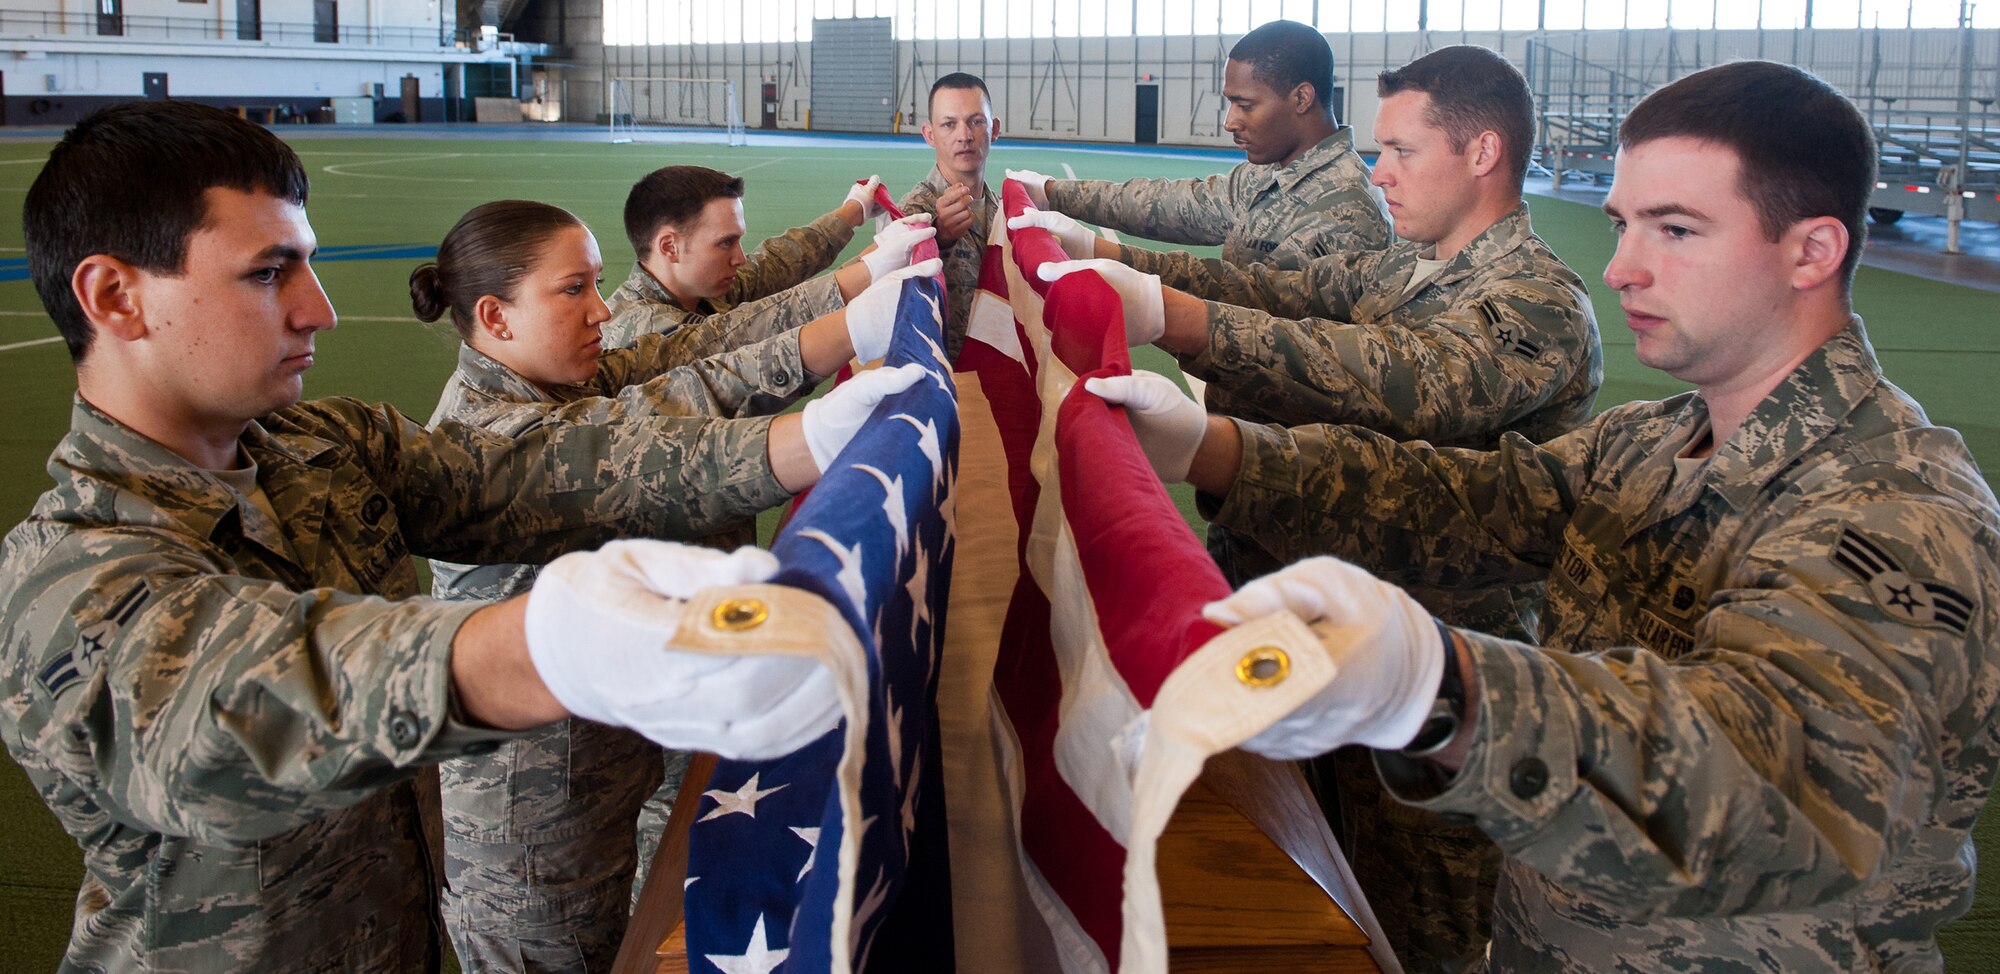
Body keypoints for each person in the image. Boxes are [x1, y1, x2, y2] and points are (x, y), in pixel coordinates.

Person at [1096, 60, 2000, 974]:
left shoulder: (1902, 510)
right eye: (1623, 225)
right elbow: (1468, 498)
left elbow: (1784, 775)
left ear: (1812, 251)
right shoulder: (1647, 443)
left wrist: (1443, 688)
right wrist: (1210, 449)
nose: (1622, 269)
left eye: (1676, 230)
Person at [0, 99, 924, 973]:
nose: (317, 308)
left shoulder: (323, 446)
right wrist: (548, 645)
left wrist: (802, 439)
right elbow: (238, 702)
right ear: (115, 298)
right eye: (267, 271)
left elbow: (530, 474)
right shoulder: (63, 576)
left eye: (306, 265)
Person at [411, 200, 935, 972]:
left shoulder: (555, 380)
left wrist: (847, 326)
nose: (601, 310)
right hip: (534, 830)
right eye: (573, 291)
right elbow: (642, 458)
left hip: (602, 770)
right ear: (495, 315)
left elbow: (697, 371)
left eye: (596, 283)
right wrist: (810, 437)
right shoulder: (484, 432)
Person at [1007, 19, 1388, 270]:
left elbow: (1248, 304)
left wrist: (1108, 256)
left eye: (1245, 104)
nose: (1229, 121)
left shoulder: (1347, 211)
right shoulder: (1267, 174)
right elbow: (1169, 205)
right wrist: (1053, 193)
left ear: (1302, 98)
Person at [601, 164, 892, 350]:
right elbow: (754, 333)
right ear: (669, 247)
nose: (739, 258)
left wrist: (854, 210)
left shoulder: (697, 287)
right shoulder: (643, 331)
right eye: (725, 243)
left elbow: (774, 262)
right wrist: (872, 264)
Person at [895, 72, 1001, 358]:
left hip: (994, 377)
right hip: (939, 380)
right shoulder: (912, 214)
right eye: (949, 124)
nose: (964, 136)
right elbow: (896, 300)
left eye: (976, 121)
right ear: (930, 135)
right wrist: (938, 240)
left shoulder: (1004, 211)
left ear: (995, 129)